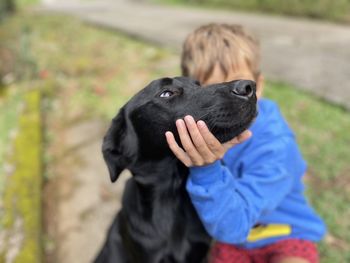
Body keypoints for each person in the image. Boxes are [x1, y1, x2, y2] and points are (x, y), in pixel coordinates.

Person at [165, 24, 326, 263]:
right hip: (233, 242)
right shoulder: (191, 130)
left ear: (259, 86)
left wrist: (206, 171)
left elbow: (234, 223)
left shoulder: (276, 144)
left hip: (287, 235)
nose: (226, 104)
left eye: (241, 87)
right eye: (211, 90)